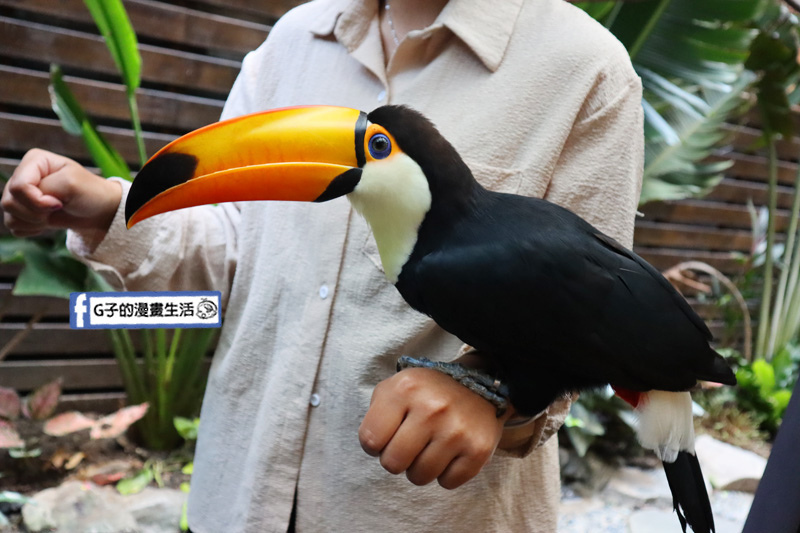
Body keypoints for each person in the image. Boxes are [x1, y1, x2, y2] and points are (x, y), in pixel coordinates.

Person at [2, 0, 643, 531]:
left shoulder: (582, 67)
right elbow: (236, 242)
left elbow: (593, 319)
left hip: (421, 513)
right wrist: (111, 210)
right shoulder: (295, 38)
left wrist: (486, 389)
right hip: (239, 498)